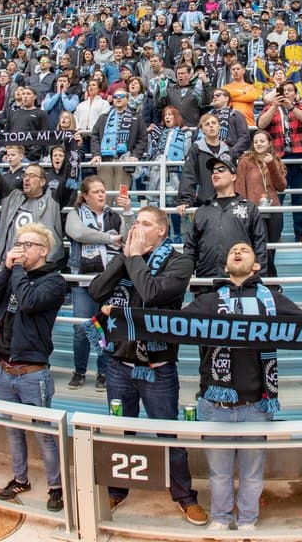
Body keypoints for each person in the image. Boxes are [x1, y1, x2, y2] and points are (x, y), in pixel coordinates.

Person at [87, 207, 207, 526]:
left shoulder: (179, 262)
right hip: (118, 361)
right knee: (120, 430)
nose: (138, 227)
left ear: (162, 231)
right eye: (136, 222)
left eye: (145, 224)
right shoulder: (128, 255)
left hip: (158, 365)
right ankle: (116, 487)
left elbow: (151, 294)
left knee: (168, 431)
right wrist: (125, 257)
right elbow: (96, 291)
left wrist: (134, 258)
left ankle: (183, 495)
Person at [183, 242, 302, 532]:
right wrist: (124, 318)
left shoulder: (273, 300)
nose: (237, 252)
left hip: (256, 405)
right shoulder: (208, 300)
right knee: (219, 472)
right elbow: (170, 325)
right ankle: (221, 519)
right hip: (215, 405)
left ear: (256, 266)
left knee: (252, 473)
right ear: (226, 266)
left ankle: (248, 520)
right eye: (231, 251)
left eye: (244, 250)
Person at [0, 222, 66, 511]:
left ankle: (56, 486)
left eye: (28, 245)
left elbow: (29, 301)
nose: (21, 249)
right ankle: (20, 478)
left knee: (45, 435)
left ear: (44, 251)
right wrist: (5, 270)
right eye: (19, 243)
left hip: (32, 373)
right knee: (13, 430)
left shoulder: (54, 282)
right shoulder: (14, 274)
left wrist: (17, 270)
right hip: (3, 369)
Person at [66, 176, 130, 391]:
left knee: (105, 327)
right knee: (82, 328)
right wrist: (110, 238)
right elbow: (79, 234)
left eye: (103, 190)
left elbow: (129, 238)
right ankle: (80, 371)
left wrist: (129, 212)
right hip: (84, 280)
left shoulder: (115, 215)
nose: (102, 194)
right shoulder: (75, 214)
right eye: (96, 191)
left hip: (110, 280)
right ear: (85, 196)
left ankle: (103, 373)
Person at [183, 156, 267, 282]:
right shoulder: (202, 210)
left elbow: (260, 246)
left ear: (233, 176)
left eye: (221, 169)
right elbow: (190, 247)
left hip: (240, 281)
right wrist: (187, 276)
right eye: (213, 171)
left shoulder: (249, 208)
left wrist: (259, 279)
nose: (215, 173)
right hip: (206, 282)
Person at [257, 81, 302, 243]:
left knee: (300, 196)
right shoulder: (270, 107)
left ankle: (301, 234)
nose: (287, 93)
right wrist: (275, 106)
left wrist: (291, 107)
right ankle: (276, 233)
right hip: (277, 158)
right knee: (276, 199)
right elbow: (261, 124)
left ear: (295, 94)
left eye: (290, 90)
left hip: (300, 157)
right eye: (283, 90)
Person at [234, 130, 286, 277]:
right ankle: (268, 279)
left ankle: (268, 279)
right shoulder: (245, 161)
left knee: (271, 248)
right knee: (260, 246)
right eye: (256, 141)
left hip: (274, 208)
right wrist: (243, 208)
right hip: (254, 209)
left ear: (269, 144)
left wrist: (271, 165)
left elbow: (281, 186)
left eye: (262, 141)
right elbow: (239, 187)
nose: (258, 144)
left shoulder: (274, 160)